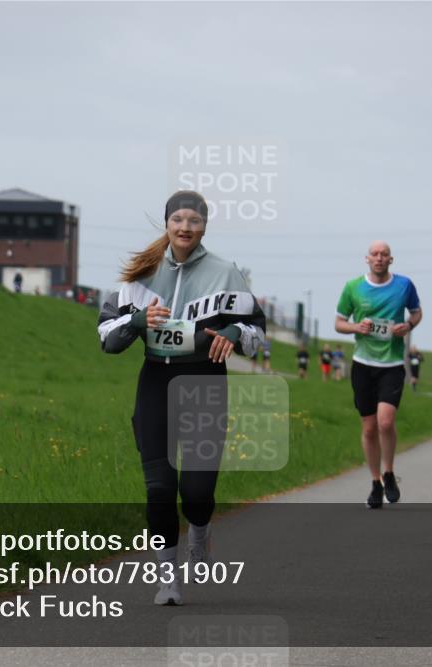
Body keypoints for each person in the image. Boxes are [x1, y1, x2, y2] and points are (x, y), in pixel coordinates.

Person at [97, 190, 266, 605]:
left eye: (194, 221)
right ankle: (167, 579)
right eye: (178, 220)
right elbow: (106, 338)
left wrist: (233, 333)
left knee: (196, 491)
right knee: (159, 488)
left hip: (205, 383)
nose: (185, 228)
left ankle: (201, 534)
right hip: (155, 381)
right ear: (167, 224)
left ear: (204, 226)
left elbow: (258, 333)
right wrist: (137, 320)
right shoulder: (141, 275)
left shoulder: (226, 273)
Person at [335, 240, 422, 509]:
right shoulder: (353, 287)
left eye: (384, 254)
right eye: (375, 254)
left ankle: (389, 472)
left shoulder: (404, 285)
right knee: (369, 428)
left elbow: (417, 313)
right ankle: (375, 482)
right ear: (367, 259)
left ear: (391, 260)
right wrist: (356, 328)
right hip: (363, 364)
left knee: (385, 422)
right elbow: (338, 323)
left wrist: (407, 325)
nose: (380, 258)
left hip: (392, 364)